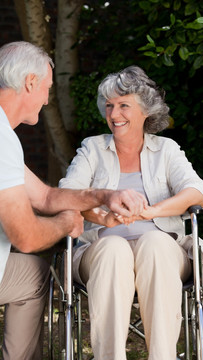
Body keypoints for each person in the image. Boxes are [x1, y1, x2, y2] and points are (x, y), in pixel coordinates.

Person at [0, 42, 147, 360]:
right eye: (47, 88)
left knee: (34, 273)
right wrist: (65, 223)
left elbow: (45, 196)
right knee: (37, 276)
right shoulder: (2, 140)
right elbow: (25, 236)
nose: (47, 98)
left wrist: (105, 195)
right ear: (30, 82)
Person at [59, 65, 203, 360]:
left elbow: (197, 193)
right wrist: (103, 218)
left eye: (124, 106)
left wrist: (150, 212)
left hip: (163, 253)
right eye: (110, 105)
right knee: (114, 248)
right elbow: (68, 195)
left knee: (155, 243)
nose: (114, 114)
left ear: (145, 112)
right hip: (99, 251)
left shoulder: (167, 150)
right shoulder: (92, 149)